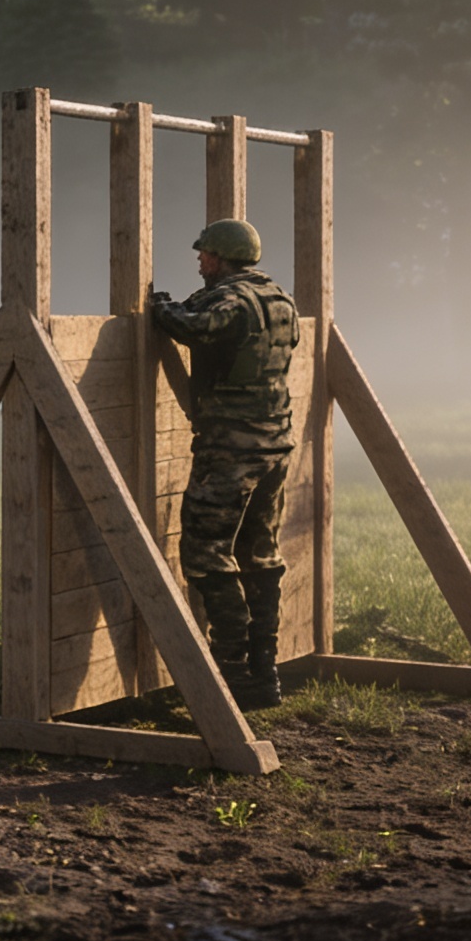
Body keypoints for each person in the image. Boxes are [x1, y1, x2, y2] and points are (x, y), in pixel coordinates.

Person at [149, 219, 298, 710]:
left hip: (232, 449)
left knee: (207, 553)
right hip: (274, 445)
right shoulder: (276, 298)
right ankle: (264, 669)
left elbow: (197, 326)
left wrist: (160, 309)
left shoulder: (230, 301)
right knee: (260, 554)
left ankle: (230, 667)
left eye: (204, 255)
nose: (199, 262)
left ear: (222, 257)